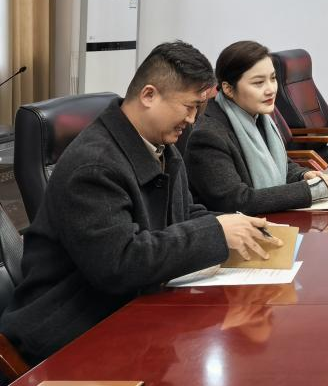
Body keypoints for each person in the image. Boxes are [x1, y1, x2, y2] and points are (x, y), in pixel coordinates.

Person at [0, 41, 282, 364]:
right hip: (71, 334)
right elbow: (121, 263)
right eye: (189, 107)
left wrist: (238, 227)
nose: (193, 120)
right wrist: (218, 232)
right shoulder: (93, 166)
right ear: (149, 95)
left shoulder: (161, 147)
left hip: (126, 313)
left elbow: (182, 213)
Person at [186, 40, 328, 214]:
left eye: (273, 78)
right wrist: (310, 191)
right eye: (258, 83)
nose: (271, 89)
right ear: (228, 89)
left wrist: (302, 175)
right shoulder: (208, 136)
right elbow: (236, 201)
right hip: (237, 228)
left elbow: (279, 166)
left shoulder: (258, 117)